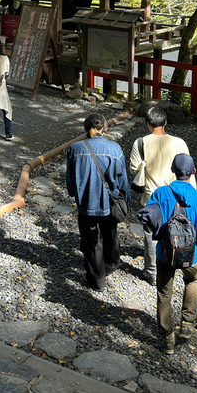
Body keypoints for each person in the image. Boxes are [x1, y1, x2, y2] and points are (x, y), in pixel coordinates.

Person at [146, 153, 197, 355]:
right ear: (193, 172)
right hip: (191, 255)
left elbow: (149, 220)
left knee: (164, 293)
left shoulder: (160, 193)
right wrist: (194, 245)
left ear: (172, 170)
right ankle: (186, 324)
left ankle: (167, 340)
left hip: (165, 254)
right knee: (192, 281)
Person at [65, 113, 131, 290]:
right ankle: (110, 265)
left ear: (86, 128)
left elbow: (71, 180)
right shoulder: (115, 149)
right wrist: (126, 201)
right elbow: (122, 179)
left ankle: (97, 280)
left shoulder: (75, 148)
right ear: (104, 128)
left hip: (87, 202)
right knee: (110, 234)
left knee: (92, 241)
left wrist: (73, 192)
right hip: (110, 201)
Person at [128, 105, 196, 275]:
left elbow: (133, 169)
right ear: (165, 122)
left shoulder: (140, 143)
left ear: (147, 123)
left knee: (151, 234)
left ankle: (151, 271)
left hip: (152, 197)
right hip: (176, 196)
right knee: (177, 229)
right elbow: (187, 170)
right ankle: (177, 258)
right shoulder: (179, 143)